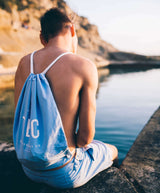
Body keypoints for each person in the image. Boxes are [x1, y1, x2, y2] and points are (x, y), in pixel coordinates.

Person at [13, 8, 118, 189]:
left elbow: (20, 119)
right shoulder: (84, 67)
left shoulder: (24, 63)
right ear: (71, 30)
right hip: (65, 172)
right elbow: (85, 138)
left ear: (42, 37)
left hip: (28, 168)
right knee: (112, 150)